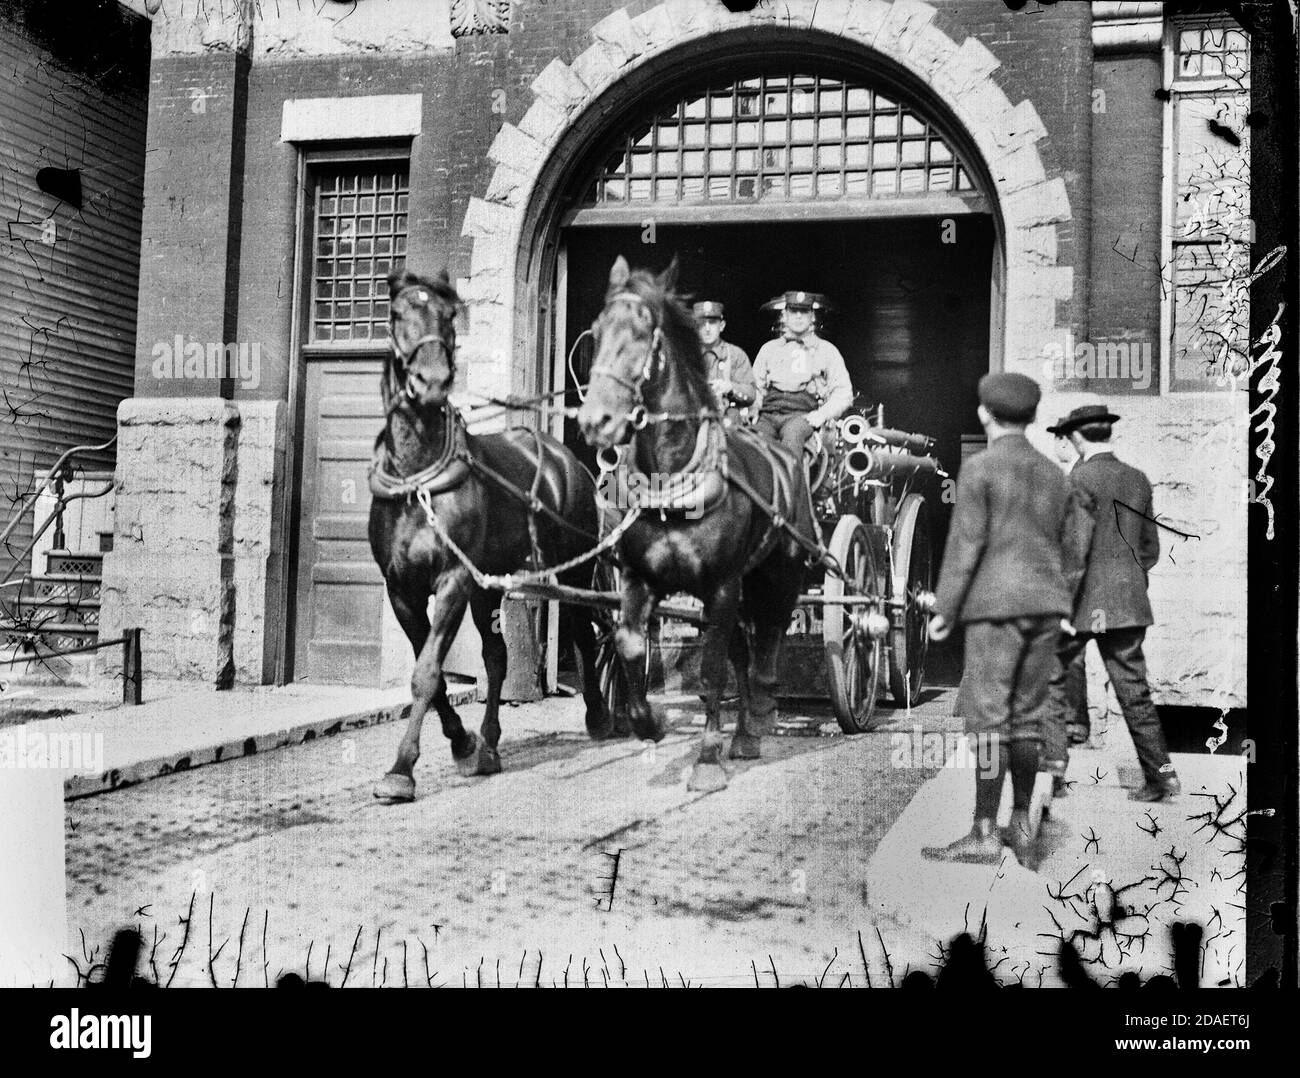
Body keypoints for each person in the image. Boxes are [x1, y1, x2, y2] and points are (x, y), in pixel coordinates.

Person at [922, 373, 1077, 867]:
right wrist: (1063, 603)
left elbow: (965, 546)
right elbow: (1073, 552)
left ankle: (984, 832)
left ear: (984, 414)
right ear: (1032, 417)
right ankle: (1023, 824)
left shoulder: (981, 469)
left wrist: (946, 610)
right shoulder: (1056, 475)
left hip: (996, 610)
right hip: (1047, 608)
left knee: (990, 721)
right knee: (1027, 719)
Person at [1045, 404, 1180, 803]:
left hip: (1084, 606)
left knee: (1050, 676)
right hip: (1128, 605)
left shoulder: (1077, 480)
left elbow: (1073, 552)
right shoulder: (1137, 479)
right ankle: (1163, 776)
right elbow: (1150, 548)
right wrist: (1128, 584)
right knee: (1135, 692)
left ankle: (1053, 772)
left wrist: (1064, 607)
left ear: (1077, 437)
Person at [1041, 414, 1091, 796]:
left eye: (1059, 440)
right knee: (1071, 660)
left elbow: (1074, 547)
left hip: (1076, 587)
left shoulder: (1076, 481)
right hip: (1084, 587)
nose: (1055, 447)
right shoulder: (1076, 477)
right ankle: (1074, 725)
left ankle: (1066, 736)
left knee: (1062, 663)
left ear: (1069, 442)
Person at [751, 291, 853, 454]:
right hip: (769, 414)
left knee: (792, 437)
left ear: (812, 316)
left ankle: (793, 480)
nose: (798, 316)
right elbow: (756, 387)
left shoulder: (826, 350)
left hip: (802, 415)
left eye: (804, 311)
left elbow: (844, 393)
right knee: (753, 442)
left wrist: (822, 414)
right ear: (784, 315)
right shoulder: (769, 349)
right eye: (793, 311)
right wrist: (754, 408)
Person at [692, 300, 756, 425]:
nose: (707, 329)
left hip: (727, 417)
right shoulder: (688, 356)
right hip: (695, 414)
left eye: (712, 323)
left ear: (721, 326)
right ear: (695, 327)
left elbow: (751, 394)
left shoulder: (735, 354)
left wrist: (730, 387)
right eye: (702, 324)